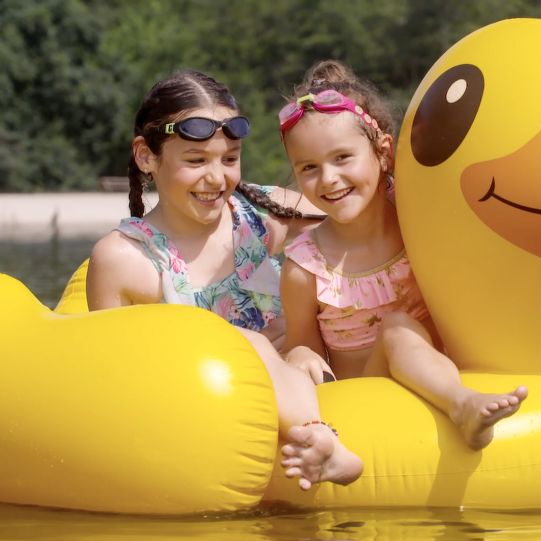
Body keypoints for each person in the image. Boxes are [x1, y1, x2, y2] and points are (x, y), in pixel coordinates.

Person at [87, 69, 362, 490]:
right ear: (146, 157)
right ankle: (316, 436)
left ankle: (322, 435)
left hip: (301, 378)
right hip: (205, 411)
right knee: (248, 343)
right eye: (196, 161)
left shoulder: (261, 215)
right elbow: (110, 381)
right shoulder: (125, 260)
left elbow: (359, 217)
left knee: (302, 350)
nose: (217, 178)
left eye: (230, 159)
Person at [277, 60, 529, 461]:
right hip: (371, 403)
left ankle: (459, 397)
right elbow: (303, 352)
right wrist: (301, 356)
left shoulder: (419, 222)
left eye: (342, 158)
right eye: (309, 168)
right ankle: (462, 404)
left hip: (445, 368)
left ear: (383, 152)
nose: (328, 179)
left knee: (403, 327)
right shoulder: (306, 268)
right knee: (396, 328)